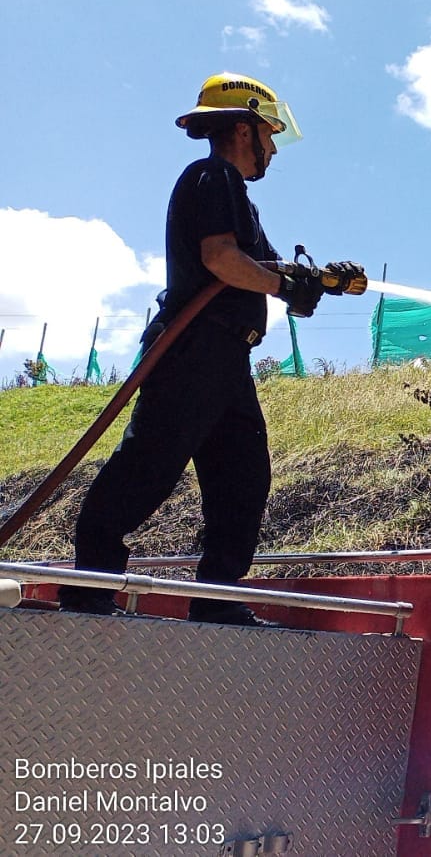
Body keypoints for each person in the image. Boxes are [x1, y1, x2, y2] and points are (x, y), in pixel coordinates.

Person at [56, 72, 354, 626]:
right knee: (150, 465)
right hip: (193, 350)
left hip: (227, 358)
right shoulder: (210, 175)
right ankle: (88, 587)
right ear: (243, 129)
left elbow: (266, 268)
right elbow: (222, 260)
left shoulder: (236, 195)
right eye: (268, 135)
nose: (272, 150)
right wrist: (284, 285)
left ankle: (217, 598)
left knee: (243, 477)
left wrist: (320, 280)